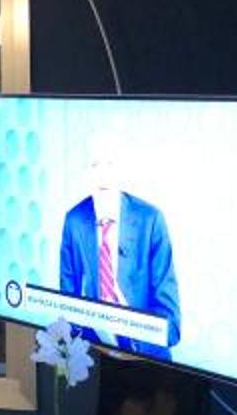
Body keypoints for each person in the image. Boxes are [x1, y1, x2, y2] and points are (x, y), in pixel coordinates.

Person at [56, 145, 180, 358]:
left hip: (145, 357)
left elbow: (171, 327)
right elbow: (68, 305)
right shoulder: (74, 220)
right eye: (94, 165)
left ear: (123, 171)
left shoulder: (151, 220)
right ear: (85, 173)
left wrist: (131, 333)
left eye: (110, 164)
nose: (102, 174)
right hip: (95, 352)